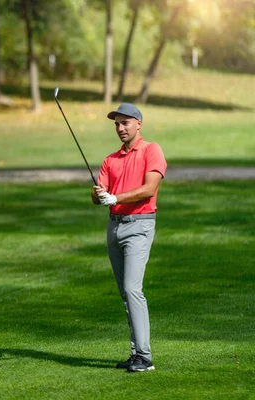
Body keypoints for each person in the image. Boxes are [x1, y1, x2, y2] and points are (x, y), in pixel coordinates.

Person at [91, 103, 167, 372]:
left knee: (133, 289)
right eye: (116, 124)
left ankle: (145, 357)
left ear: (138, 124)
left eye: (125, 123)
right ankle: (136, 353)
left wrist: (116, 197)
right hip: (114, 226)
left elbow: (149, 189)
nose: (120, 128)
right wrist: (99, 194)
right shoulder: (110, 160)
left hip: (140, 225)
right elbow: (97, 195)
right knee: (126, 292)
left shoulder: (151, 150)